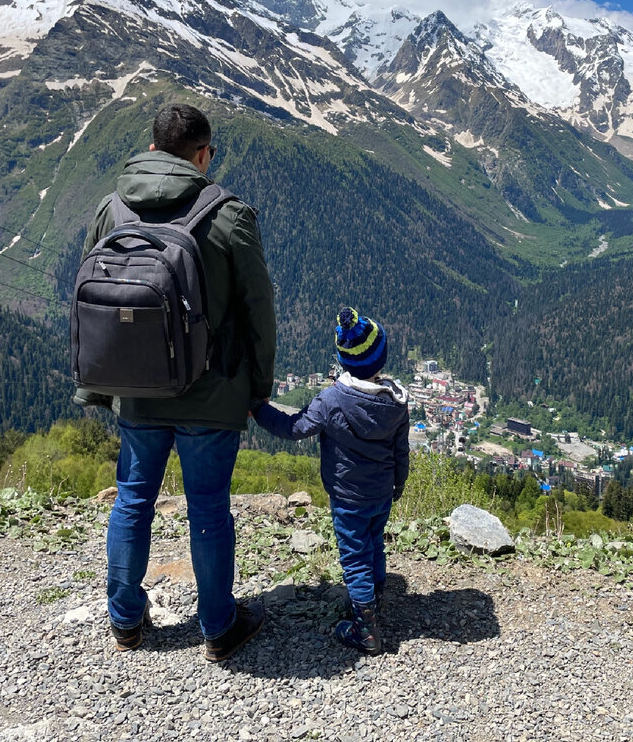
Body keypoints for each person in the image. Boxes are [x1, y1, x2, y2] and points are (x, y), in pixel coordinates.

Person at [77, 103, 276, 661]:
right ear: (203, 154)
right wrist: (258, 384)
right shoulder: (228, 214)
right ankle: (218, 626)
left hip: (136, 388)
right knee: (208, 507)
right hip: (212, 393)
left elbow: (95, 300)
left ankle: (125, 621)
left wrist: (100, 385)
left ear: (154, 148)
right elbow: (258, 309)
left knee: (133, 501)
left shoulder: (110, 208)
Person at [250, 306, 409, 655]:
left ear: (342, 360)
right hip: (382, 492)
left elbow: (295, 428)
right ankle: (375, 596)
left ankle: (366, 628)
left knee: (353, 555)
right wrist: (399, 484)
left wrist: (260, 410)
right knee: (373, 542)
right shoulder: (397, 403)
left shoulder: (331, 400)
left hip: (348, 495)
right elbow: (401, 452)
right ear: (382, 356)